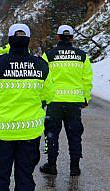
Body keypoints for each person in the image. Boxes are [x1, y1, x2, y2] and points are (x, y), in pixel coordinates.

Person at [0, 24, 54, 191]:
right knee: (25, 176)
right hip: (29, 134)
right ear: (28, 40)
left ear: (9, 40)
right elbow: (49, 94)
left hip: (1, 133)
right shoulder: (41, 66)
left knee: (0, 175)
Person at [39, 25, 93, 176]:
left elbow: (43, 79)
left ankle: (51, 165)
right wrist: (85, 98)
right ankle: (74, 168)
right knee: (74, 135)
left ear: (58, 37)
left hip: (54, 102)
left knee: (51, 134)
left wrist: (43, 100)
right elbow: (87, 80)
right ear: (72, 38)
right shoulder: (82, 56)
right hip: (74, 103)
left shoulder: (49, 55)